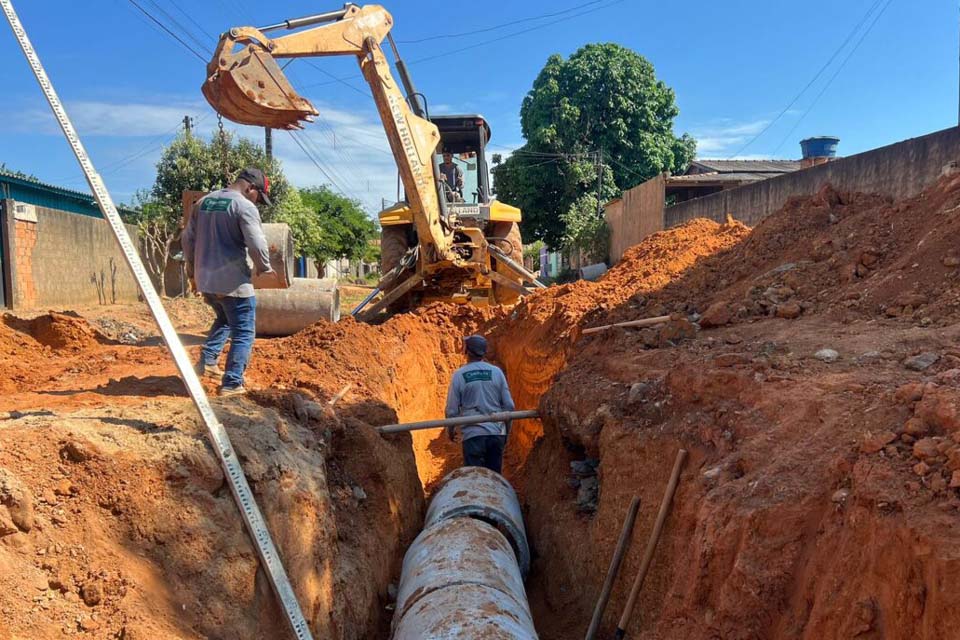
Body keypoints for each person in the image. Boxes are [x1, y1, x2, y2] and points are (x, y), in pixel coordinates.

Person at [181, 167, 275, 397]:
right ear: (251, 188)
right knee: (243, 331)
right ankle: (233, 383)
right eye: (259, 197)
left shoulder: (202, 203)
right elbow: (256, 242)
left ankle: (207, 363)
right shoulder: (244, 206)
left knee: (224, 318)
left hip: (206, 280)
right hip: (233, 283)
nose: (258, 202)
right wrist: (264, 267)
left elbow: (187, 239)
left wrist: (193, 272)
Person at [444, 334, 515, 473]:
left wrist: (451, 431)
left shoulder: (459, 375)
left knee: (474, 479)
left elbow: (451, 411)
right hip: (496, 434)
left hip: (473, 435)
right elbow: (509, 407)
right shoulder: (497, 372)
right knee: (494, 478)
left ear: (467, 351)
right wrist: (506, 432)